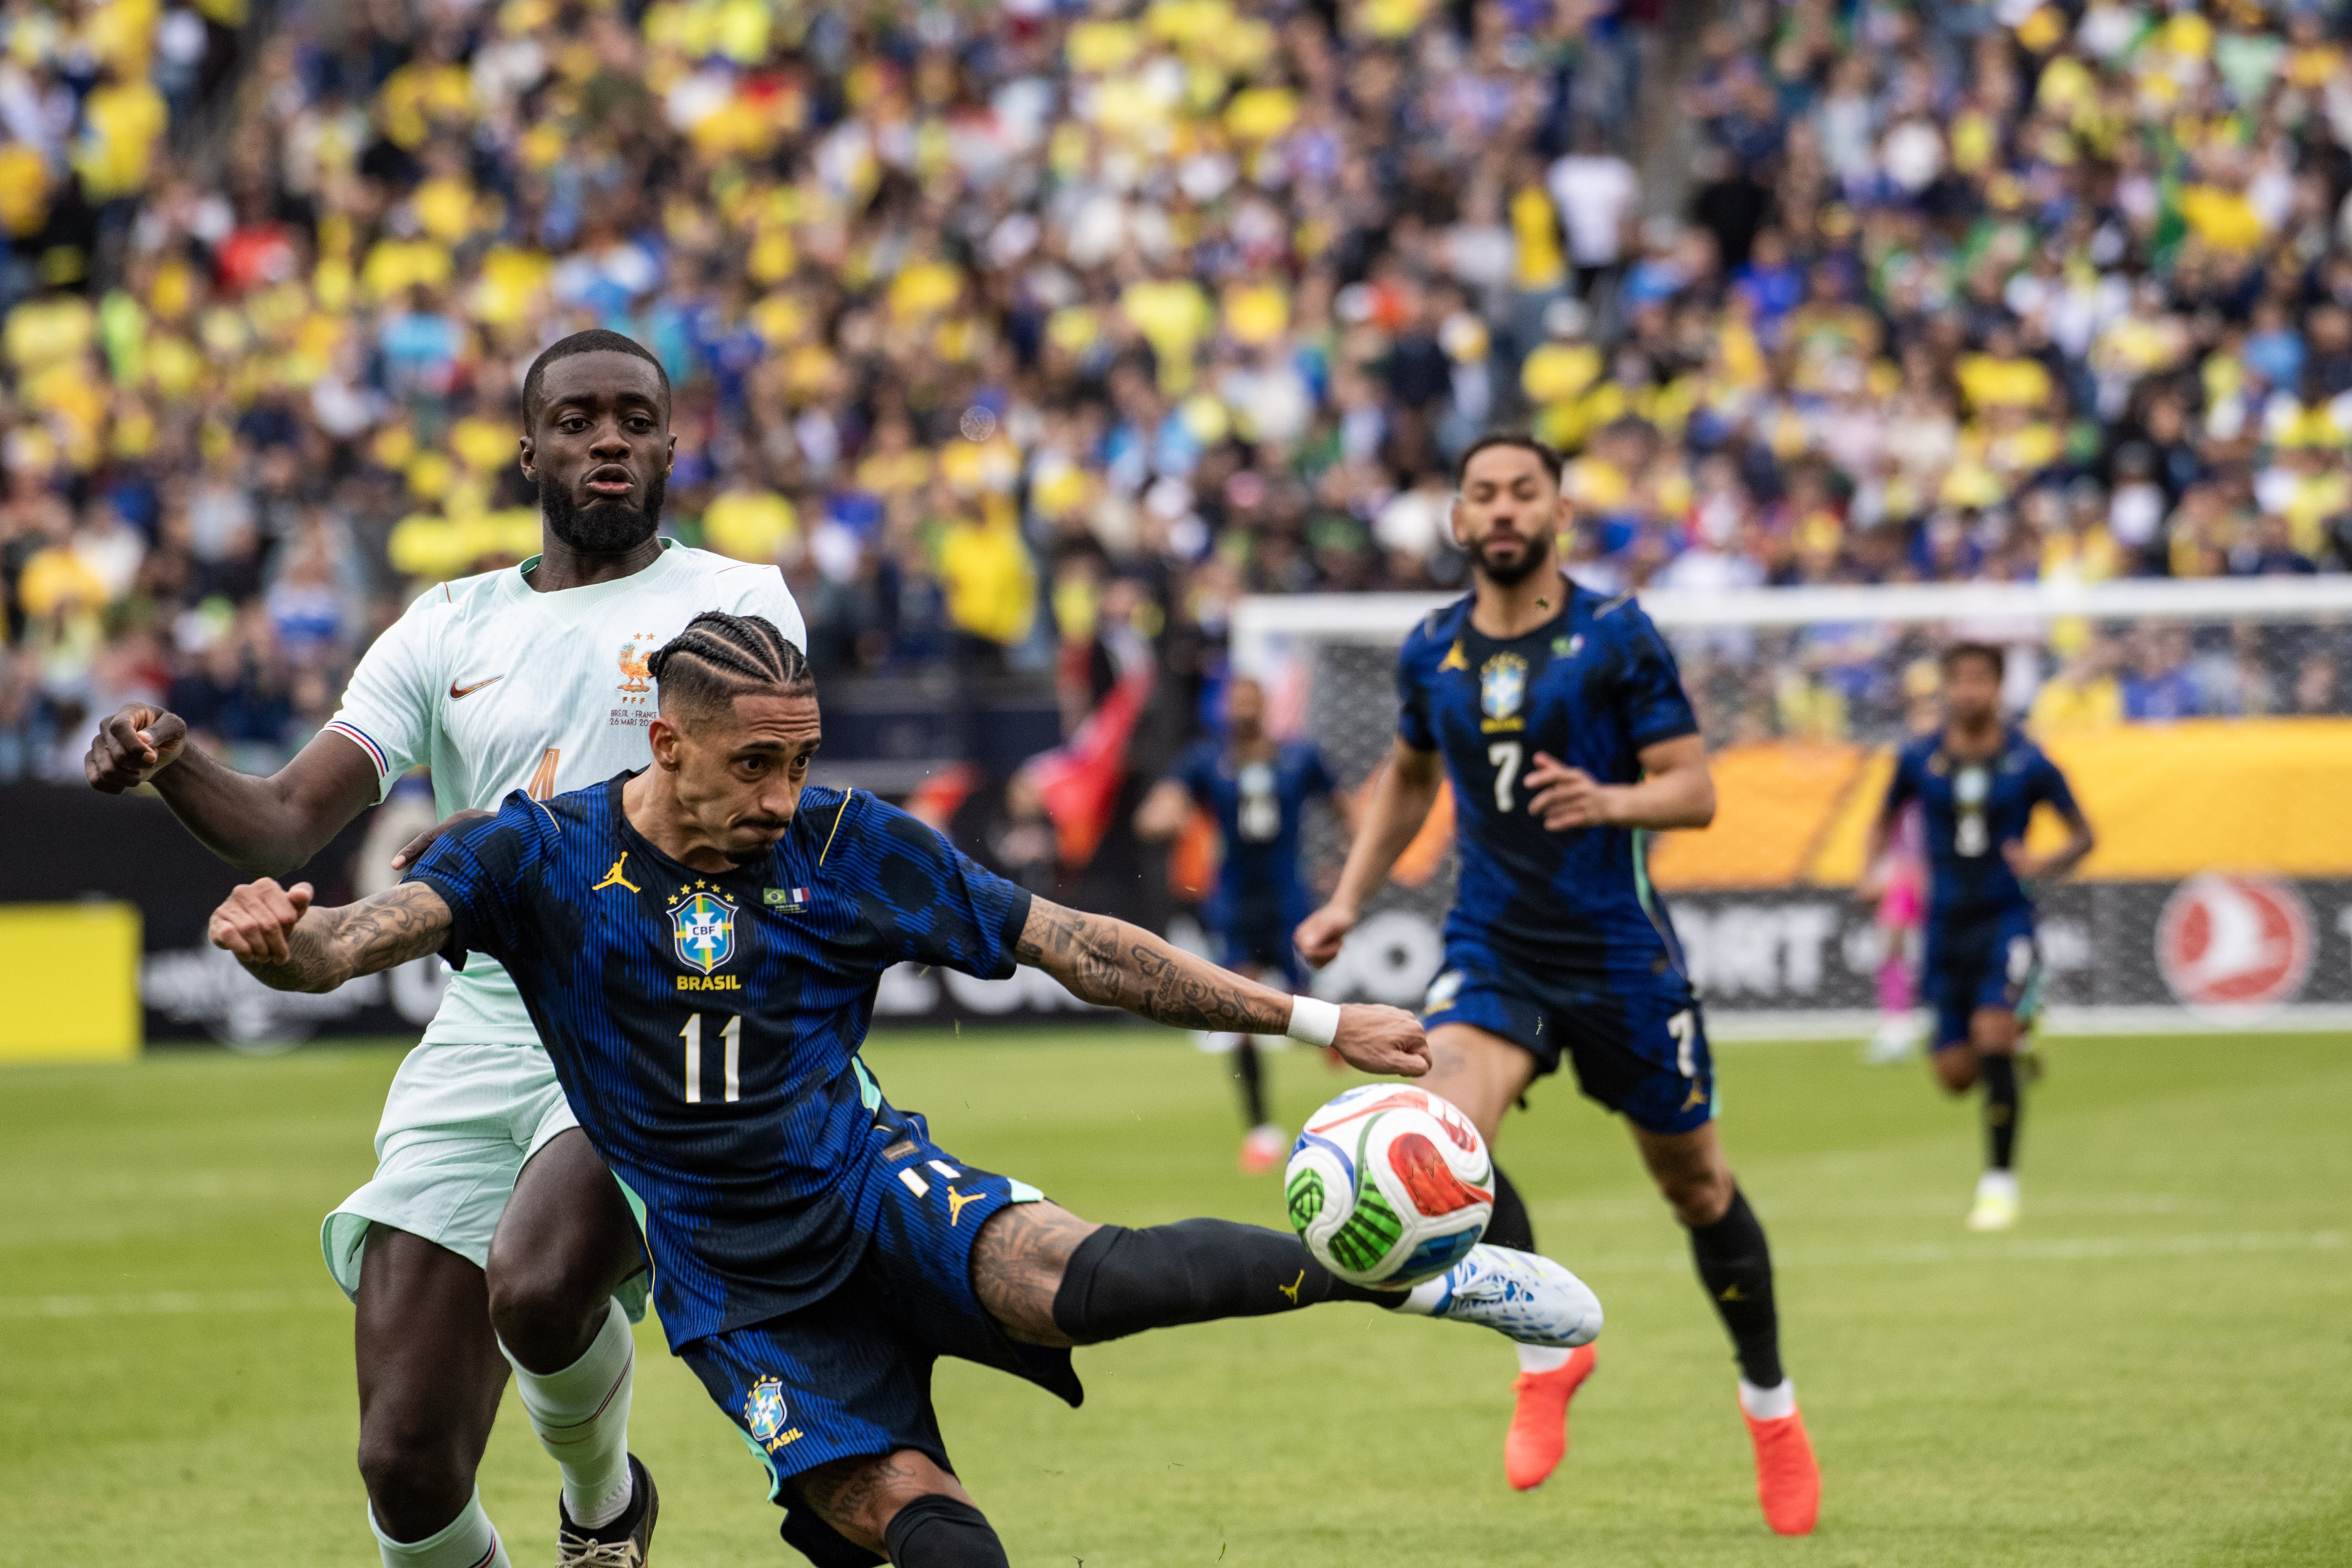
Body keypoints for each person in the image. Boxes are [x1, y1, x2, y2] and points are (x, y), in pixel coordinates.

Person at [206, 610, 1605, 1568]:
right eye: (755, 761)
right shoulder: (535, 859)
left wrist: (1308, 1018)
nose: (783, 790)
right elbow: (347, 943)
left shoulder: (849, 844)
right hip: (739, 1293)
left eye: (802, 758)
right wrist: (287, 940)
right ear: (668, 743)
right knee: (931, 1529)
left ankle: (1420, 1278)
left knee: (1079, 1275)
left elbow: (1075, 944)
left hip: (875, 1186)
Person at [82, 330, 807, 1568]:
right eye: (577, 420)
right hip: (485, 1025)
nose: (609, 440)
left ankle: (599, 1502)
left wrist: (532, 844)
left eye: (635, 418)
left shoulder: (739, 600)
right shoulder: (449, 626)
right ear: (529, 448)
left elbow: (756, 808)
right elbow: (287, 814)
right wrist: (174, 761)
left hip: (659, 1006)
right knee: (405, 1467)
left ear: (676, 444)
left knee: (535, 1283)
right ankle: (599, 1505)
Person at [1295, 432, 1821, 1533]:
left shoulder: (1615, 634)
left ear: (1556, 512)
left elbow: (1694, 789)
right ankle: (1547, 1344)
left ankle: (1769, 1407)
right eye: (1480, 493)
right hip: (1499, 955)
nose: (1500, 510)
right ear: (1455, 519)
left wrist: (1610, 799)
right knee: (1434, 1125)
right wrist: (1348, 895)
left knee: (1698, 1190)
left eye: (1520, 492)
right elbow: (1405, 777)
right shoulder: (1429, 649)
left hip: (1622, 958)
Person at [1857, 643, 2096, 1232]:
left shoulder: (2028, 761)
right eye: (1958, 680)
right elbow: (1882, 818)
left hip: (2005, 917)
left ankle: (1998, 1184)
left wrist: (2044, 864)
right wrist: (1873, 871)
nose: (1969, 691)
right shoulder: (1917, 758)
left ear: (1998, 687)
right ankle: (2020, 1030)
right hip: (1942, 925)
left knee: (1992, 1034)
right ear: (1944, 688)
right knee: (1956, 1075)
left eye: (1980, 680)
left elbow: (2083, 835)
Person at [1134, 675, 1354, 1173]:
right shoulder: (1205, 761)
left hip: (1289, 898)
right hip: (1234, 902)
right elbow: (1159, 810)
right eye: (1235, 700)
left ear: (1265, 705)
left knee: (1304, 1013)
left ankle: (1337, 1034)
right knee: (1239, 1012)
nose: (1242, 708)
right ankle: (1260, 1131)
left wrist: (1355, 858)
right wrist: (1162, 816)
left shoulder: (1299, 757)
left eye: (1250, 699)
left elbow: (1342, 807)